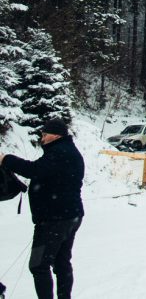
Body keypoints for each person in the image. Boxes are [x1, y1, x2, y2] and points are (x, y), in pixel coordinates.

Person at [0, 118, 84, 299]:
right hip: (70, 216)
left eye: (45, 135)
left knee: (38, 265)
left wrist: (5, 159)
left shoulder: (60, 152)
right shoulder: (67, 151)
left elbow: (33, 170)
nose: (42, 139)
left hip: (54, 219)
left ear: (56, 135)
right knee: (61, 262)